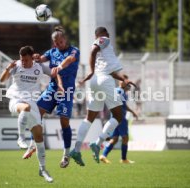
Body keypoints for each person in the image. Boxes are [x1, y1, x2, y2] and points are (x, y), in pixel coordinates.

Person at [69, 26, 134, 166]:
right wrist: (91, 71)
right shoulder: (103, 40)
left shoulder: (104, 53)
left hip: (95, 82)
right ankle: (98, 143)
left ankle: (76, 149)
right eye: (105, 32)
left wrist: (123, 79)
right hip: (103, 80)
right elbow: (93, 51)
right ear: (99, 35)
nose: (108, 34)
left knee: (89, 119)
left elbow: (111, 71)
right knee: (118, 116)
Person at [0, 46, 53, 183]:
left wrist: (59, 84)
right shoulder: (16, 66)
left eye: (26, 60)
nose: (23, 62)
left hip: (32, 103)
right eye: (22, 59)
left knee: (39, 136)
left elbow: (54, 72)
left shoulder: (39, 67)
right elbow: (1, 80)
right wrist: (8, 68)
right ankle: (21, 138)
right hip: (16, 100)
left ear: (31, 58)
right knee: (25, 107)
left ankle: (43, 169)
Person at [34, 26, 80, 168]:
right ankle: (33, 145)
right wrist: (37, 58)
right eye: (57, 42)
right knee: (36, 112)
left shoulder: (74, 50)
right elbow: (41, 58)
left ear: (65, 39)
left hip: (66, 90)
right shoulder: (52, 52)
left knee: (64, 122)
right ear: (54, 43)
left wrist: (59, 67)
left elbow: (70, 60)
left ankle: (66, 154)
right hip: (53, 88)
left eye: (61, 41)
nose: (59, 44)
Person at [100, 76, 138, 164]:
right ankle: (124, 159)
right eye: (126, 81)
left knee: (115, 139)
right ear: (121, 82)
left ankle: (103, 155)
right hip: (120, 118)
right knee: (125, 138)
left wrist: (132, 111)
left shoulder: (117, 91)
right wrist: (132, 112)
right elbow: (122, 106)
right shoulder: (121, 92)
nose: (128, 83)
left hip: (114, 118)